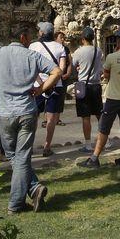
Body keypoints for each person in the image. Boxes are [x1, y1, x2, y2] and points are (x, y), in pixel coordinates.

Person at [0, 25, 61, 214]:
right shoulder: (32, 56)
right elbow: (56, 72)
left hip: (5, 113)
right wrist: (41, 90)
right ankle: (33, 188)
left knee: (13, 155)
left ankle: (16, 203)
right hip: (27, 111)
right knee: (21, 156)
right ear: (24, 38)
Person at [78, 27, 120, 169]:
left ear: (118, 40)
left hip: (113, 96)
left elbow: (106, 74)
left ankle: (94, 158)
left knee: (104, 128)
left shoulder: (112, 57)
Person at [31, 21, 70, 157]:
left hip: (38, 86)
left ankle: (29, 146)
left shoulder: (33, 46)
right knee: (51, 118)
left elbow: (32, 67)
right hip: (56, 85)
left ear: (42, 33)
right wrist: (52, 80)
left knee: (33, 116)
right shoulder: (60, 47)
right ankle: (47, 146)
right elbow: (62, 67)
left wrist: (40, 82)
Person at [72, 27, 104, 153]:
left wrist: (81, 68)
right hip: (96, 85)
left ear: (83, 38)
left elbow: (74, 65)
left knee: (85, 116)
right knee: (99, 114)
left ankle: (88, 144)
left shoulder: (78, 52)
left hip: (83, 85)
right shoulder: (98, 50)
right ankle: (105, 140)